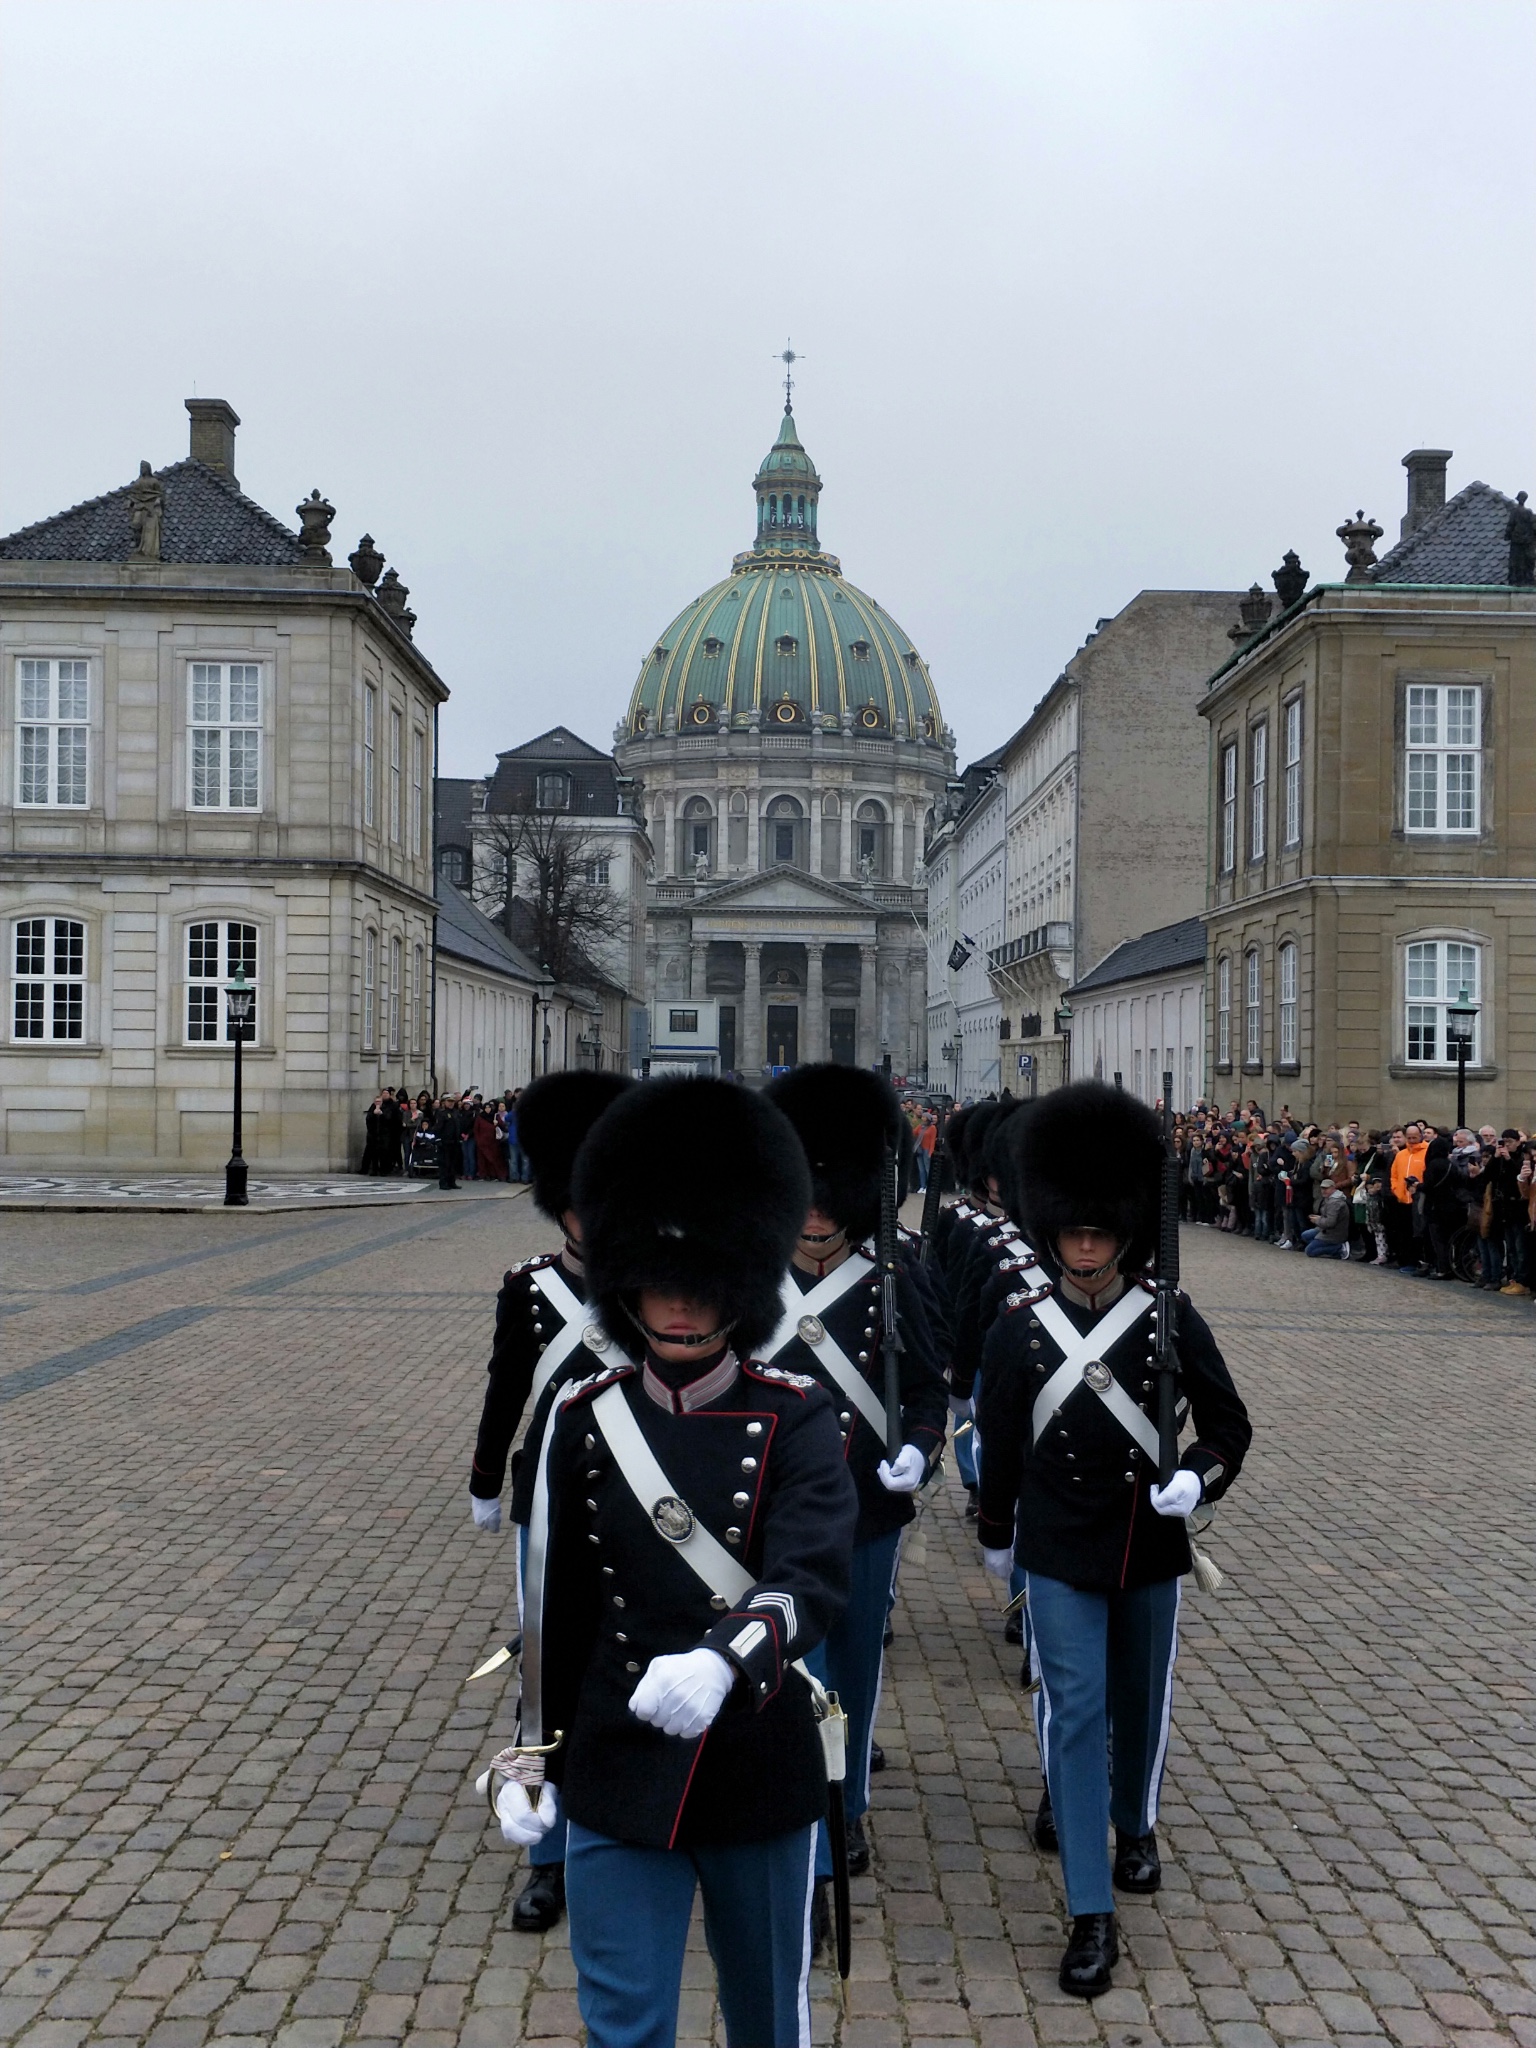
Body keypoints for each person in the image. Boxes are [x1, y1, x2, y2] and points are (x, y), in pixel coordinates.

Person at [487, 1076, 858, 2048]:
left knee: (767, 2022)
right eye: (658, 1279)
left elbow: (812, 1573)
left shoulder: (796, 1417)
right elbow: (552, 1612)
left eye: (702, 1284)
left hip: (753, 1758)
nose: (680, 1306)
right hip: (617, 1762)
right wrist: (531, 1758)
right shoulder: (583, 1418)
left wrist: (727, 1658)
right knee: (623, 2026)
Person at [975, 1082, 1251, 1999]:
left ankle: (1136, 1822)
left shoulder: (1171, 1320)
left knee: (1138, 1703)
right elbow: (1003, 1443)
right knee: (1076, 1708)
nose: (1086, 1247)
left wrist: (1197, 1477)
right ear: (1052, 1232)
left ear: (1124, 1233)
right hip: (1058, 1549)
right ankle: (1090, 1911)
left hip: (1147, 1543)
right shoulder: (1019, 1334)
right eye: (1074, 1234)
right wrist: (995, 1534)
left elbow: (1228, 1426)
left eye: (1100, 1234)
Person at [762, 1065, 948, 1913]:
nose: (813, 1213)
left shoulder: (899, 1270)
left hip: (866, 1499)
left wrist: (918, 1447)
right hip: (766, 1506)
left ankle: (851, 1808)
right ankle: (787, 1798)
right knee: (783, 1663)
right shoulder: (751, 1271)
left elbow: (925, 1388)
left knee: (855, 1667)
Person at [468, 1070, 633, 1931]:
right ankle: (547, 1851)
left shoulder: (649, 1285)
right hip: (550, 1498)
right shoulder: (529, 1287)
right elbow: (507, 1390)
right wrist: (486, 1479)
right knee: (543, 1671)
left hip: (640, 1502)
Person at [1301, 1169, 1353, 1257]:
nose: (1323, 1191)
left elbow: (1330, 1223)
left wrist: (1317, 1220)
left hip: (1334, 1233)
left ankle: (1339, 1248)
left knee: (1310, 1251)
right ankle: (1324, 1245)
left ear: (1333, 1188)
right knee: (1305, 1235)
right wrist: (1318, 1218)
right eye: (1322, 1188)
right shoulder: (1328, 1198)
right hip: (1325, 1230)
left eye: (1326, 1188)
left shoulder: (1335, 1202)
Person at [433, 1093, 460, 1190]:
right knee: (445, 1163)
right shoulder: (441, 1113)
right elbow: (438, 1128)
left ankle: (451, 1182)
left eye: (452, 1101)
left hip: (454, 1141)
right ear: (444, 1102)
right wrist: (438, 1139)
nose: (451, 1103)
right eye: (449, 1101)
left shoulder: (455, 1112)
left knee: (453, 1164)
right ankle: (443, 1183)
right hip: (445, 1142)